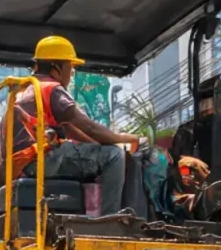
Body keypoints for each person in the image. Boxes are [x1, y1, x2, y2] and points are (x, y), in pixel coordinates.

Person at [11, 36, 142, 216]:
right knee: (114, 155)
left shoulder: (24, 89)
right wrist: (123, 139)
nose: (71, 75)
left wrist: (97, 146)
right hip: (41, 159)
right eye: (70, 69)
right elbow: (90, 127)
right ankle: (111, 220)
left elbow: (71, 129)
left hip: (24, 162)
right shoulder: (51, 89)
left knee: (102, 153)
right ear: (57, 66)